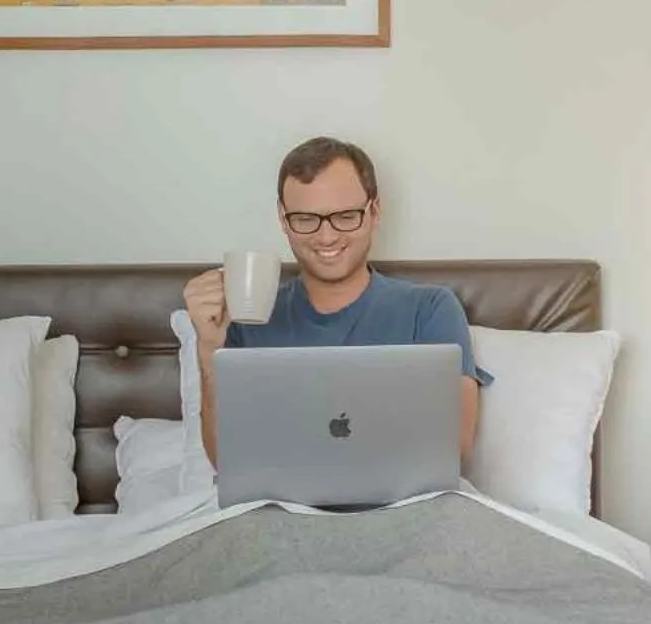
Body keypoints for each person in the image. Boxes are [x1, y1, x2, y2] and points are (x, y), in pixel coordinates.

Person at [181, 136, 491, 472]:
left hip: (400, 511)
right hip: (283, 513)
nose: (326, 237)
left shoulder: (430, 308)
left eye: (345, 216)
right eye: (305, 218)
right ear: (284, 219)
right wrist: (209, 353)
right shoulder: (247, 319)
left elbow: (455, 445)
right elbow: (225, 462)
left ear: (374, 211)